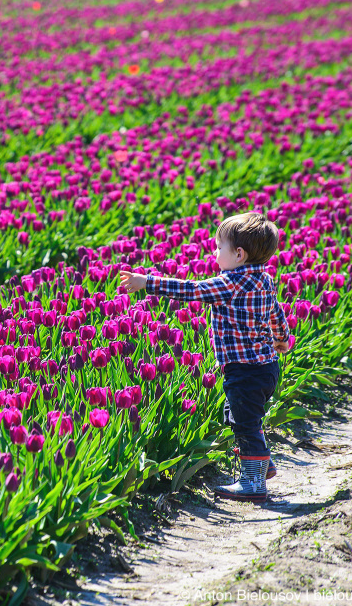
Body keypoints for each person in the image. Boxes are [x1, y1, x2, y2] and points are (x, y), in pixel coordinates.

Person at [118, 212, 291, 503]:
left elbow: (191, 290)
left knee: (245, 422)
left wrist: (147, 282)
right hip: (266, 367)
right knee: (238, 417)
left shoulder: (229, 284)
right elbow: (276, 312)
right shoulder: (266, 280)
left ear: (238, 254)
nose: (214, 252)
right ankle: (260, 463)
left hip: (244, 371)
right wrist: (282, 339)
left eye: (219, 247)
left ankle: (253, 483)